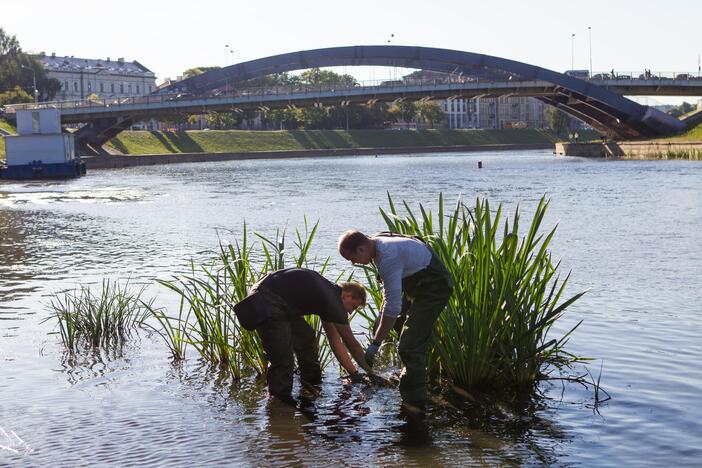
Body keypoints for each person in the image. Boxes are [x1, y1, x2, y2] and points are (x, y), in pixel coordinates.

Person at [337, 230, 453, 415]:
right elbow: (389, 298)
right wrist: (380, 322)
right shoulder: (374, 245)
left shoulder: (388, 257)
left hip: (434, 286)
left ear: (360, 249)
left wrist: (375, 344)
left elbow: (393, 306)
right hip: (414, 279)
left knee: (409, 345)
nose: (353, 263)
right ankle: (409, 372)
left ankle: (414, 403)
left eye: (352, 258)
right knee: (393, 324)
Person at [233, 267, 373, 404]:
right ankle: (279, 403)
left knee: (306, 336)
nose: (350, 312)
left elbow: (334, 341)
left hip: (275, 295)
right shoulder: (333, 301)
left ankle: (311, 383)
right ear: (347, 296)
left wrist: (354, 373)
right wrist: (370, 372)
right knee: (282, 357)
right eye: (353, 307)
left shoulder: (329, 296)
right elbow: (351, 344)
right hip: (267, 298)